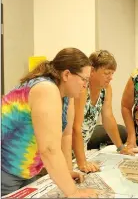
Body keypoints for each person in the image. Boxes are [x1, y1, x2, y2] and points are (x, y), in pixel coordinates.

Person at [1, 48, 98, 198]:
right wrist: (73, 192)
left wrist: (66, 171)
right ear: (66, 75)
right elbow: (49, 149)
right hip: (5, 168)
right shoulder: (46, 89)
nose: (85, 85)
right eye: (84, 79)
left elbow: (66, 135)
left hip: (25, 170)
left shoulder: (66, 95)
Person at [72, 50, 138, 173]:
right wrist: (81, 161)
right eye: (106, 73)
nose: (110, 77)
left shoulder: (106, 89)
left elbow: (108, 118)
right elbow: (75, 127)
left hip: (81, 148)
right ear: (92, 71)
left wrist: (121, 147)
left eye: (112, 73)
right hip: (69, 148)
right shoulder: (82, 89)